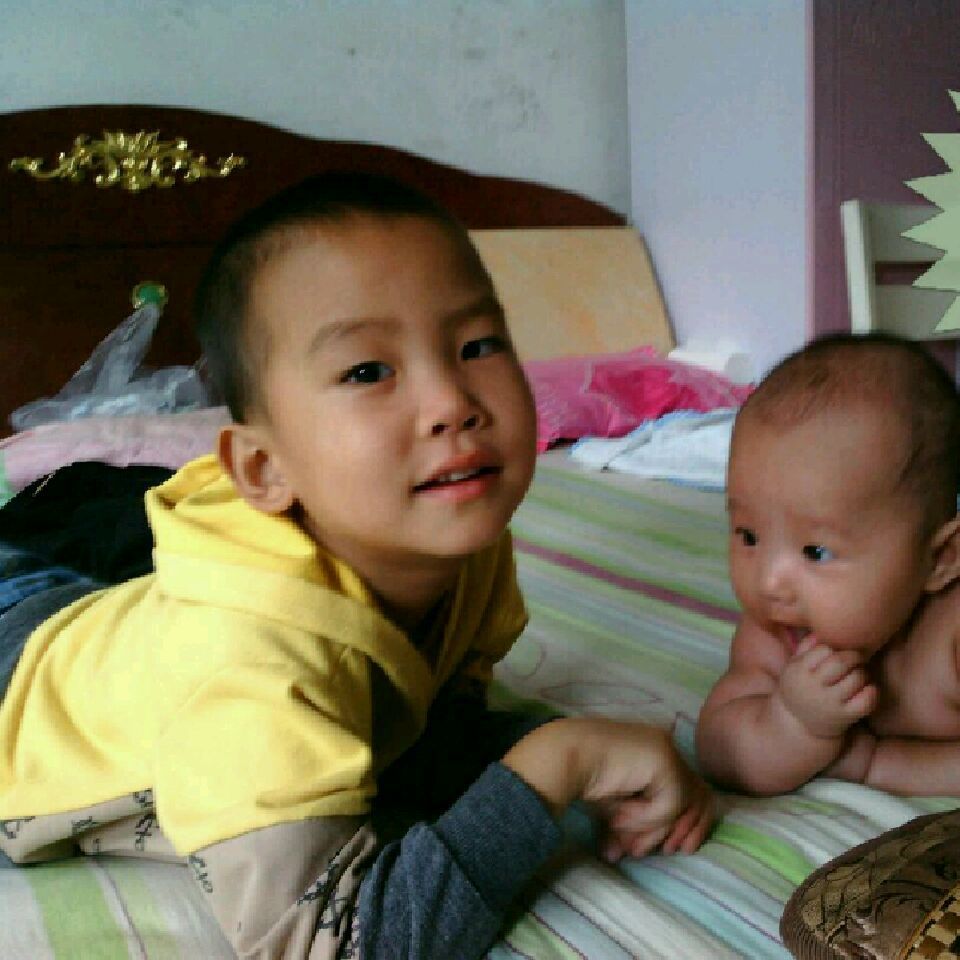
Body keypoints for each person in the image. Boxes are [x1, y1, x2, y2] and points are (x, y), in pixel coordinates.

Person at [0, 172, 713, 959]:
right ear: (264, 469)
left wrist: (556, 741)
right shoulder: (250, 668)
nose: (453, 401)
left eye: (478, 345)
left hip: (88, 620)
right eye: (368, 371)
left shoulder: (458, 535)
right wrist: (557, 761)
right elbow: (340, 944)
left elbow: (426, 730)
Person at [696, 332, 960, 798]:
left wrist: (877, 765)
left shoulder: (950, 638)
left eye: (815, 552)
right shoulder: (777, 634)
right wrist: (790, 723)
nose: (769, 581)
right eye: (749, 537)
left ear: (939, 559)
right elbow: (719, 751)